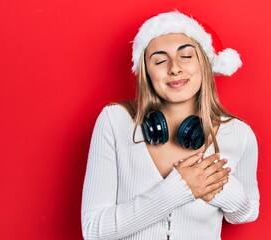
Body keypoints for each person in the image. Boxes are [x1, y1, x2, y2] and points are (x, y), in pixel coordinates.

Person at [81, 10, 259, 240]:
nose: (174, 68)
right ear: (146, 72)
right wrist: (182, 188)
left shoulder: (238, 133)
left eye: (186, 56)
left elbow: (247, 213)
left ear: (204, 63)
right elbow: (94, 230)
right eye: (160, 60)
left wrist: (219, 188)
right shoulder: (115, 121)